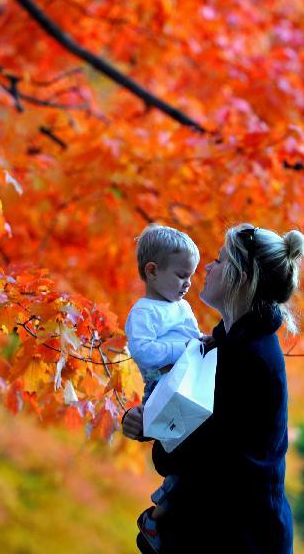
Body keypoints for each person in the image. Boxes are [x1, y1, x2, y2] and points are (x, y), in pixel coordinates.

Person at [122, 223, 304, 553]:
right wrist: (151, 422)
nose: (209, 268)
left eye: (220, 260)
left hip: (240, 536)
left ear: (240, 278)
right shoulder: (230, 344)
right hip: (227, 528)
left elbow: (205, 452)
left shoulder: (247, 356)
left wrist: (156, 432)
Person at [124, 224, 206, 550]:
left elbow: (195, 338)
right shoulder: (144, 312)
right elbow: (143, 351)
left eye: (191, 276)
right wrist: (183, 348)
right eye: (181, 275)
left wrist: (200, 345)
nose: (187, 283)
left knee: (193, 457)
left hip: (187, 383)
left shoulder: (182, 307)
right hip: (161, 388)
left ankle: (166, 510)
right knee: (186, 454)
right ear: (153, 271)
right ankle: (158, 517)